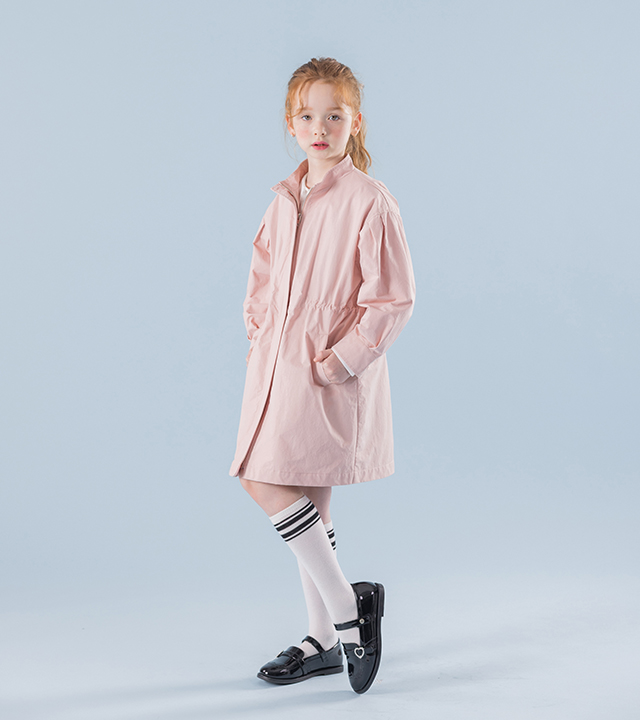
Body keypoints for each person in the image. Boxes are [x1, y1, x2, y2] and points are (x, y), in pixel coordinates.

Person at [229, 57, 415, 694]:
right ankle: (325, 638)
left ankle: (345, 610)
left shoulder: (369, 201)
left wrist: (340, 361)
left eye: (333, 115)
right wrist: (260, 335)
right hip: (276, 365)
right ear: (291, 123)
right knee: (307, 493)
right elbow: (262, 278)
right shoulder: (283, 199)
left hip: (325, 369)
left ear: (354, 122)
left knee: (262, 477)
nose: (319, 128)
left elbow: (391, 300)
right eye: (307, 116)